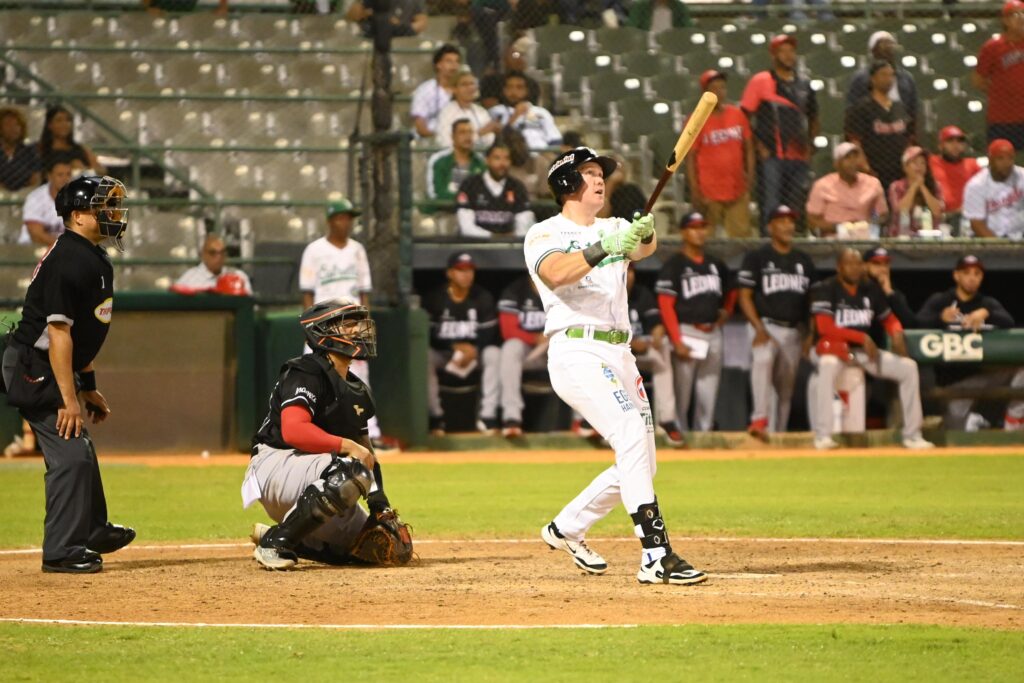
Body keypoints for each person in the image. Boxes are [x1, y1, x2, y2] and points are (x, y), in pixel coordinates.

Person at [526, 146, 706, 585]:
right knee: (629, 432)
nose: (599, 179)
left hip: (620, 352)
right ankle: (655, 554)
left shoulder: (613, 225)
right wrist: (604, 246)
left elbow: (644, 248)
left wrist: (643, 232)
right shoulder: (544, 233)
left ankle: (567, 526)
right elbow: (556, 274)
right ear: (567, 183)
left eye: (600, 173)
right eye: (589, 173)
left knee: (642, 458)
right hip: (576, 349)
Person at [0, 175, 134, 573]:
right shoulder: (69, 259)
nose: (113, 214)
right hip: (35, 367)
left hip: (51, 364)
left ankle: (91, 528)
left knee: (80, 449)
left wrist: (88, 386)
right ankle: (61, 550)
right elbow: (58, 334)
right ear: (77, 216)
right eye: (103, 207)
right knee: (71, 455)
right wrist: (70, 399)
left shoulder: (88, 254)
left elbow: (80, 335)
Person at [243, 300, 413, 570]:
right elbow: (294, 429)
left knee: (385, 549)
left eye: (357, 323)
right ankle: (277, 542)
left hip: (318, 479)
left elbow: (366, 453)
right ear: (322, 332)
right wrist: (345, 446)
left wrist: (380, 507)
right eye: (348, 324)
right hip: (275, 465)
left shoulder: (357, 390)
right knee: (351, 468)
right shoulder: (306, 371)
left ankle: (292, 537)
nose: (358, 329)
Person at [808, 249, 933, 450]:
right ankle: (823, 435)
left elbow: (889, 319)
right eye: (849, 264)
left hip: (861, 352)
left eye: (858, 264)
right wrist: (861, 336)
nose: (855, 269)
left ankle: (913, 435)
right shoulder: (826, 288)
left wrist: (896, 333)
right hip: (832, 348)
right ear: (839, 267)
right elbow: (824, 327)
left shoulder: (870, 289)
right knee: (827, 365)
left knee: (909, 367)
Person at [298, 199, 390, 448]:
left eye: (349, 217)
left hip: (351, 324)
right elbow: (307, 292)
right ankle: (306, 432)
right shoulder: (314, 250)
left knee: (360, 379)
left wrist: (365, 322)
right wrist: (309, 326)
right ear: (330, 220)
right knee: (310, 376)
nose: (346, 222)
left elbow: (363, 292)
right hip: (324, 324)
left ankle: (370, 433)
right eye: (341, 217)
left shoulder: (357, 250)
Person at [916, 255, 1023, 431]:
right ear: (956, 275)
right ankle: (971, 421)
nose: (972, 277)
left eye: (977, 273)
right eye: (966, 273)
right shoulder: (942, 300)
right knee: (955, 437)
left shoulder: (986, 303)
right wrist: (940, 317)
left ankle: (1014, 424)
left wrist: (986, 312)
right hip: (951, 383)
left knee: (1021, 372)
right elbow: (917, 322)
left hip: (982, 377)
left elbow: (1008, 321)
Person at [737, 205, 815, 439]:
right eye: (781, 221)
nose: (787, 225)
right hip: (765, 325)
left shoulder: (804, 260)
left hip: (794, 330)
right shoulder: (757, 257)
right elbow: (744, 296)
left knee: (785, 389)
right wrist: (758, 327)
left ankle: (778, 435)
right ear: (770, 226)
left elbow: (811, 301)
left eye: (790, 221)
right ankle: (759, 419)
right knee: (763, 359)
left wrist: (810, 333)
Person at [656, 212, 734, 433]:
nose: (699, 232)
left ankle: (704, 434)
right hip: (687, 331)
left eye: (703, 227)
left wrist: (726, 311)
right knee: (682, 392)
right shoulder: (674, 265)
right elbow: (665, 304)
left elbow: (732, 291)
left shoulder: (716, 264)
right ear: (683, 232)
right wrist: (676, 339)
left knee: (709, 390)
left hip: (713, 331)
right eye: (693, 227)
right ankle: (679, 435)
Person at [740, 34, 818, 234]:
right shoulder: (761, 80)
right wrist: (758, 146)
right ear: (774, 55)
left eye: (792, 51)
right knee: (771, 204)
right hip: (771, 156)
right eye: (783, 51)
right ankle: (768, 244)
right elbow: (744, 117)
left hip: (799, 156)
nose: (789, 55)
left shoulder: (804, 85)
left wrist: (810, 145)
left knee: (795, 204)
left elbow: (814, 117)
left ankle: (793, 242)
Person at [422, 252, 501, 435]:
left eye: (470, 270)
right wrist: (453, 346)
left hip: (475, 353)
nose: (466, 275)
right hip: (445, 353)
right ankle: (436, 418)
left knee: (494, 354)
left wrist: (475, 348)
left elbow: (489, 333)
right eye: (460, 270)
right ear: (450, 273)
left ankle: (488, 417)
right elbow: (429, 333)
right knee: (425, 357)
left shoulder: (482, 297)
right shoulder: (435, 298)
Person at [687, 69, 755, 238]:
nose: (719, 92)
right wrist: (695, 189)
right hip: (709, 191)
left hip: (737, 189)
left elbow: (749, 148)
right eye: (714, 88)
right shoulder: (695, 119)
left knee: (741, 237)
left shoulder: (737, 114)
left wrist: (750, 177)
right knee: (706, 238)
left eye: (722, 88)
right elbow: (690, 157)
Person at [627, 266, 684, 446]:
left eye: (631, 271)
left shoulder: (641, 294)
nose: (628, 275)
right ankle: (592, 423)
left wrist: (658, 333)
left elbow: (655, 322)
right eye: (624, 270)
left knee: (663, 352)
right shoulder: (604, 294)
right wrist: (629, 342)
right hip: (613, 352)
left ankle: (667, 420)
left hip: (641, 352)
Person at [844, 60, 912, 194]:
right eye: (883, 75)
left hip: (899, 172)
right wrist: (866, 168)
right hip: (874, 172)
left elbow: (909, 140)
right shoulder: (861, 108)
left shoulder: (900, 107)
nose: (888, 79)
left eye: (891, 75)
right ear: (872, 79)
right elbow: (855, 142)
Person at [497, 274, 547, 438]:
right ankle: (512, 417)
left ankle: (584, 421)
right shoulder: (515, 291)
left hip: (555, 350)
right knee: (511, 347)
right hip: (528, 353)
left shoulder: (564, 287)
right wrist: (534, 338)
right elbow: (508, 330)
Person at [806, 142, 887, 238]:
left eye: (855, 157)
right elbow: (812, 220)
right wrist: (840, 228)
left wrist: (868, 224)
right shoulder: (822, 185)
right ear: (836, 164)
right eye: (847, 158)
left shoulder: (873, 183)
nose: (853, 162)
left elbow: (883, 215)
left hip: (864, 237)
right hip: (833, 240)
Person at [972, 0, 1024, 149]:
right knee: (1002, 163)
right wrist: (1001, 91)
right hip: (1002, 120)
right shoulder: (993, 47)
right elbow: (977, 80)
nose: (1021, 18)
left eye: (1023, 14)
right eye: (1015, 14)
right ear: (1005, 20)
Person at [845, 31, 918, 135]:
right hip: (870, 127)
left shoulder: (906, 78)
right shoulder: (860, 78)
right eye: (882, 44)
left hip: (900, 126)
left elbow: (913, 110)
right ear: (873, 50)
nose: (887, 48)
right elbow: (852, 109)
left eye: (890, 44)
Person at [455, 142, 534, 238]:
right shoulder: (470, 185)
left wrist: (509, 239)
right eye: (497, 158)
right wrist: (496, 237)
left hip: (509, 247)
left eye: (506, 158)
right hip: (475, 246)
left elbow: (525, 226)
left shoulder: (517, 187)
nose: (502, 163)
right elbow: (467, 228)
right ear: (487, 161)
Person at [962, 138, 1024, 239]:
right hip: (987, 243)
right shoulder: (976, 185)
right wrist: (1000, 248)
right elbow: (977, 224)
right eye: (1000, 158)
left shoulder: (1021, 177)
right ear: (990, 160)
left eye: (1010, 158)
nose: (1007, 163)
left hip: (1019, 239)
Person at [488, 71, 562, 152]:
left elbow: (555, 139)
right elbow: (497, 139)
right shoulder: (496, 112)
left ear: (526, 90)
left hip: (541, 155)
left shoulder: (541, 112)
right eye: (509, 87)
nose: (514, 92)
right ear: (504, 91)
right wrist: (515, 116)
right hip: (510, 157)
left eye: (519, 87)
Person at [436, 71, 502, 150]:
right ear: (454, 89)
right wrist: (480, 133)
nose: (470, 88)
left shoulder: (481, 111)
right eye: (464, 84)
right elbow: (445, 142)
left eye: (472, 84)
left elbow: (489, 139)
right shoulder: (447, 112)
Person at [887, 146, 944, 237]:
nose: (919, 167)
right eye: (915, 163)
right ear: (905, 167)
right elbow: (901, 211)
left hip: (930, 237)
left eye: (922, 163)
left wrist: (922, 187)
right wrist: (914, 186)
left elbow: (937, 211)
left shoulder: (935, 186)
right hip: (902, 237)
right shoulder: (896, 187)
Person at [426, 119, 486, 204]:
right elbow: (435, 194)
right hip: (444, 211)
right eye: (462, 132)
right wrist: (463, 198)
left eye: (470, 132)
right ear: (453, 137)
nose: (467, 136)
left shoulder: (480, 162)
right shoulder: (438, 160)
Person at [862, 246, 918, 337]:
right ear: (865, 266)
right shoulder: (858, 289)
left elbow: (911, 324)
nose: (883, 269)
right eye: (877, 264)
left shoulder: (893, 293)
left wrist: (889, 292)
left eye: (886, 264)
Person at [171, 234, 253, 295]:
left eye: (222, 252)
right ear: (203, 255)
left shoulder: (239, 277)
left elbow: (248, 307)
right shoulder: (189, 280)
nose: (219, 257)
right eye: (212, 253)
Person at [929, 125, 981, 220]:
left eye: (959, 141)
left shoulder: (972, 165)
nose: (955, 145)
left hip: (967, 217)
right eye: (950, 141)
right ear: (940, 146)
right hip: (938, 217)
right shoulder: (931, 163)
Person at [36, 105, 105, 176]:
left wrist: (84, 170)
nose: (64, 124)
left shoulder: (80, 149)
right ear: (49, 125)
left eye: (68, 120)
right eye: (59, 120)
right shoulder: (41, 149)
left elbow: (101, 170)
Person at [410, 44, 461, 140]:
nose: (454, 66)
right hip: (431, 142)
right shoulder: (425, 90)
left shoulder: (463, 90)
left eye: (457, 62)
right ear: (438, 65)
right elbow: (420, 127)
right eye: (449, 61)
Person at [18, 158, 73, 246]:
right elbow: (36, 235)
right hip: (33, 248)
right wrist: (66, 247)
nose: (65, 179)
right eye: (60, 175)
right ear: (49, 176)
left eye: (68, 174)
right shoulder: (35, 198)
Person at [0, 106, 41, 192]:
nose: (13, 128)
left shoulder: (29, 150)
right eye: (8, 124)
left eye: (17, 124)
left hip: (25, 195)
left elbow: (35, 178)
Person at [346, 0, 427, 37]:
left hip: (402, 38)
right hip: (371, 37)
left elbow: (422, 23)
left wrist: (400, 26)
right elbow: (352, 16)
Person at [626, 0, 692, 34]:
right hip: (645, 50)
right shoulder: (640, 7)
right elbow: (631, 30)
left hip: (673, 49)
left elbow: (688, 30)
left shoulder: (680, 8)